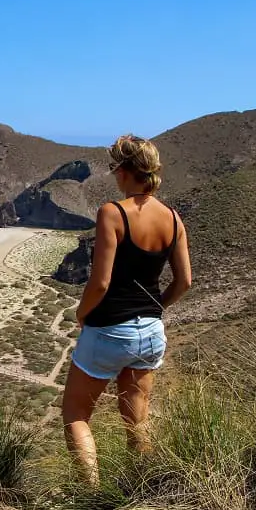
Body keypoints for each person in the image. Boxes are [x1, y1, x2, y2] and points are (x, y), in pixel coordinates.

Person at [62, 134, 192, 485]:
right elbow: (184, 281)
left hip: (108, 330)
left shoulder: (112, 213)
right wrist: (155, 308)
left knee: (76, 415)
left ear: (124, 170)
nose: (113, 175)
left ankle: (89, 500)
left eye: (114, 168)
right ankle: (143, 492)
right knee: (137, 420)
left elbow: (100, 283)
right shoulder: (174, 219)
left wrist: (82, 315)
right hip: (150, 333)